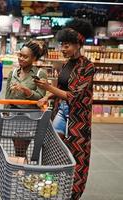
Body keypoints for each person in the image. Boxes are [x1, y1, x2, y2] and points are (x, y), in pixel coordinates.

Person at [35, 18, 94, 200]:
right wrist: (47, 96)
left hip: (78, 121)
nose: (63, 49)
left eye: (67, 45)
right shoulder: (67, 64)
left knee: (76, 156)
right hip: (60, 113)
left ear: (78, 45)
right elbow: (62, 88)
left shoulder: (88, 67)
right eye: (62, 45)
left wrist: (48, 89)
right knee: (56, 151)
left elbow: (74, 95)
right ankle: (54, 189)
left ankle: (72, 194)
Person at [5, 40, 48, 109]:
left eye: (25, 57)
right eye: (20, 55)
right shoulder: (13, 73)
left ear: (34, 58)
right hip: (12, 113)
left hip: (30, 115)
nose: (21, 59)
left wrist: (25, 90)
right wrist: (5, 112)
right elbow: (7, 96)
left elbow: (40, 98)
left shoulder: (39, 74)